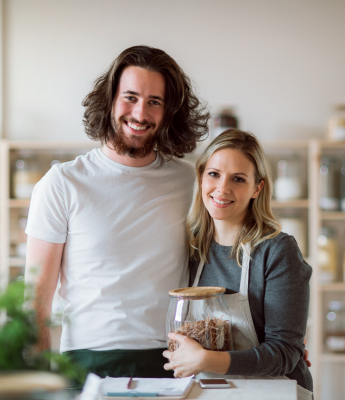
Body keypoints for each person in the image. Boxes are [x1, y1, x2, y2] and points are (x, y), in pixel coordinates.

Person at [24, 45, 209, 380]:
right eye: (131, 97)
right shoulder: (62, 183)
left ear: (169, 113)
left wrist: (274, 341)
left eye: (155, 101)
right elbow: (36, 300)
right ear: (109, 99)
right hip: (86, 364)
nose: (140, 113)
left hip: (173, 363)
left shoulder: (191, 181)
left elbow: (224, 265)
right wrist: (37, 383)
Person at [162, 129, 313, 397]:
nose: (222, 188)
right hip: (211, 392)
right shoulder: (192, 247)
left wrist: (206, 361)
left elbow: (286, 353)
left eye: (238, 179)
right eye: (214, 174)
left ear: (258, 188)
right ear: (200, 177)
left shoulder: (277, 250)